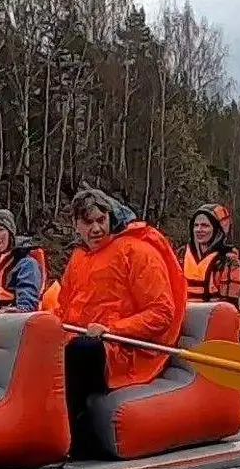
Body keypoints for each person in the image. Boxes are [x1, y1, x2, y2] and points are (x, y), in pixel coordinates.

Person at [52, 189, 186, 452]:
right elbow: (63, 309)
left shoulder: (136, 251)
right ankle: (39, 434)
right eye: (88, 222)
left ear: (110, 218)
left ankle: (68, 443)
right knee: (48, 349)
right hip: (91, 344)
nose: (96, 228)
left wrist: (112, 329)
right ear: (76, 225)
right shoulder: (78, 259)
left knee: (81, 351)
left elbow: (162, 313)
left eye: (101, 220)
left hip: (128, 350)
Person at [0, 208, 46, 312]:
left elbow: (28, 299)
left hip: (14, 324)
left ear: (10, 233)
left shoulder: (27, 264)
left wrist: (21, 309)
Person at [181, 203, 240, 304]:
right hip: (181, 316)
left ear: (218, 230)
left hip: (212, 316)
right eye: (196, 225)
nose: (199, 230)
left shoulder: (229, 261)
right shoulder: (181, 255)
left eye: (205, 226)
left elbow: (229, 305)